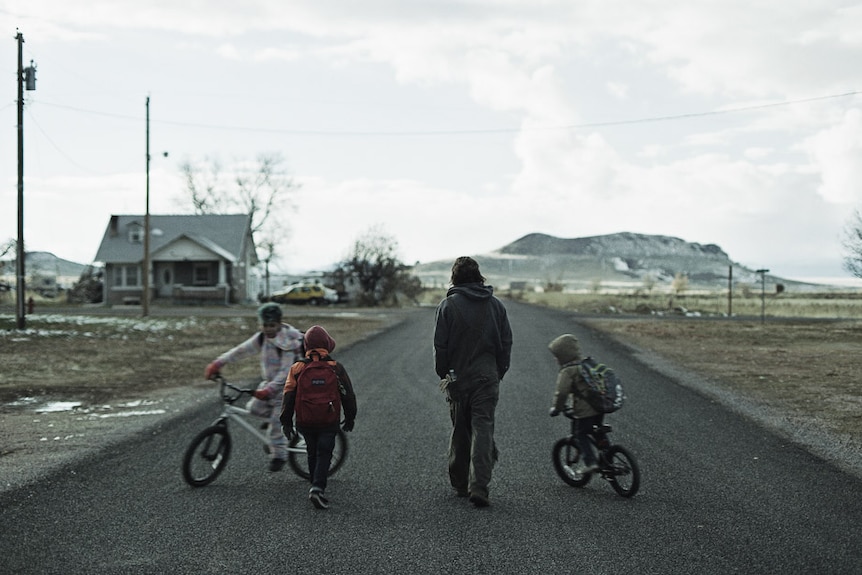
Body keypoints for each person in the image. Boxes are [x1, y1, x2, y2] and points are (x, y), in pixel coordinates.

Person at [433, 256, 512, 508]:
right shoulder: (496, 306)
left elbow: (440, 346)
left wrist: (444, 373)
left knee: (461, 430)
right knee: (483, 430)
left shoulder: (447, 306)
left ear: (454, 278)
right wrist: (498, 371)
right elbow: (506, 343)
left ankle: (459, 483)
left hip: (458, 378)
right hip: (487, 377)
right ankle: (479, 486)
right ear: (480, 277)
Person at [204, 302, 304, 472]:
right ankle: (279, 428)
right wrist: (218, 363)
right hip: (270, 384)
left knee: (275, 425)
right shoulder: (261, 338)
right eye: (265, 325)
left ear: (279, 323)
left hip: (288, 388)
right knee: (253, 408)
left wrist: (269, 390)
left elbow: (285, 372)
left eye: (272, 325)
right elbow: (240, 351)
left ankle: (279, 455)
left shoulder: (287, 343)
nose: (268, 329)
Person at [280, 325, 356, 510]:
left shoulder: (297, 368)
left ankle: (314, 483)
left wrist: (286, 421)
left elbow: (288, 395)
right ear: (327, 345)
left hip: (305, 421)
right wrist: (350, 417)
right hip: (328, 421)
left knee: (312, 451)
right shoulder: (336, 368)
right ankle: (317, 488)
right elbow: (348, 394)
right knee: (325, 452)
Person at [548, 333, 603, 475]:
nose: (556, 359)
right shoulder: (587, 364)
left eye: (557, 356)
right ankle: (608, 453)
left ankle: (591, 462)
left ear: (563, 355)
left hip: (585, 411)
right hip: (600, 406)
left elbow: (562, 393)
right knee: (598, 431)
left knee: (581, 434)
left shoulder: (568, 371)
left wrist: (557, 408)